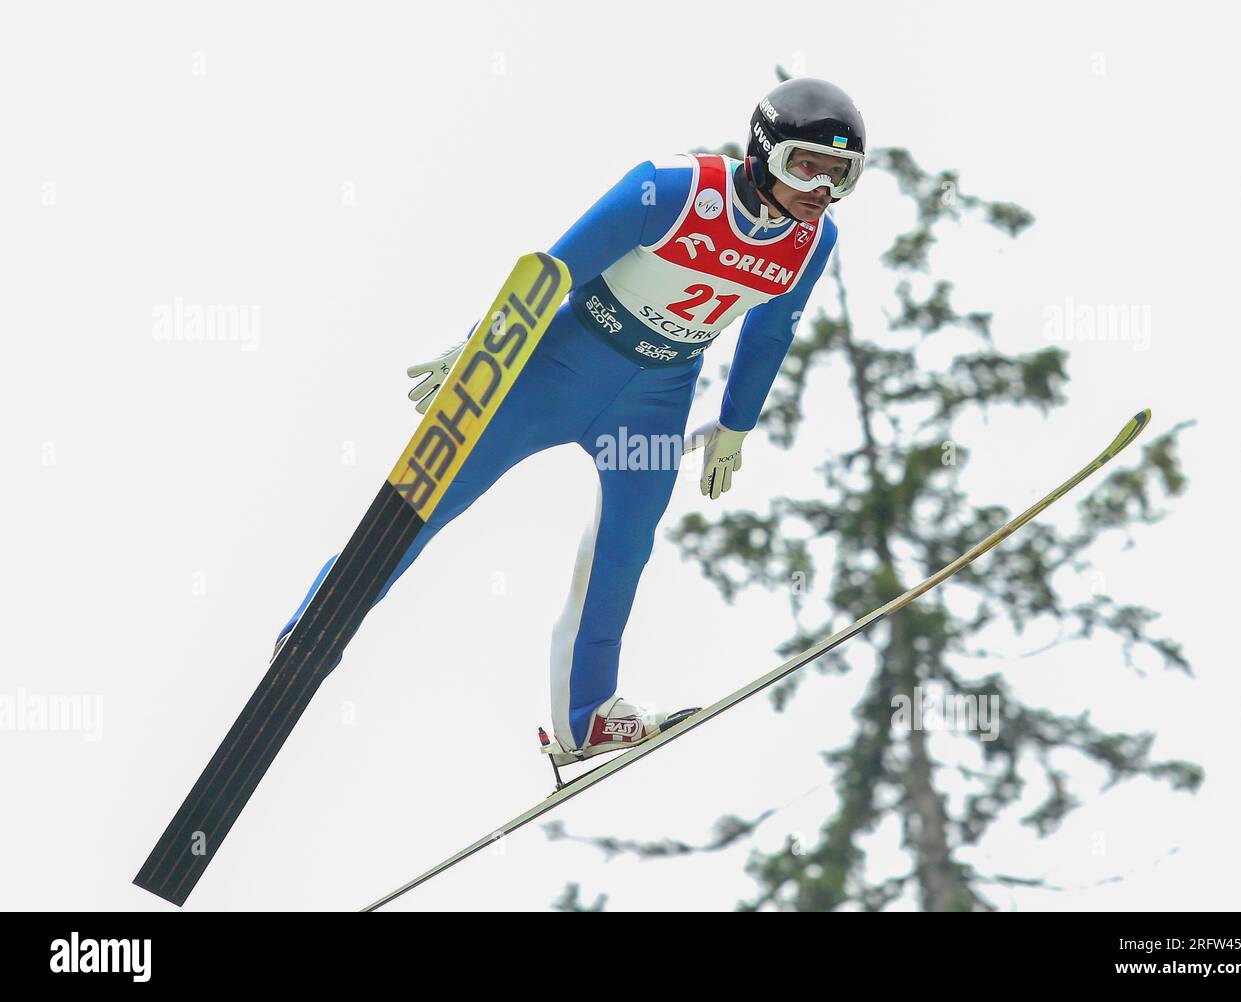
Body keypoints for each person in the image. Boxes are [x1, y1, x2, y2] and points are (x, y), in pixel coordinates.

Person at [277, 78, 867, 764]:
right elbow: (555, 269)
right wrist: (482, 347)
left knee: (624, 552)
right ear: (764, 153)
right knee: (428, 501)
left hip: (656, 399)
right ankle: (318, 622)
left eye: (840, 176)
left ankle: (586, 717)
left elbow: (769, 334)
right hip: (557, 367)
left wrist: (736, 424)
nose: (821, 189)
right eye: (806, 166)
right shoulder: (671, 190)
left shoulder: (810, 242)